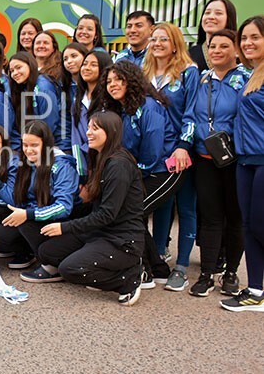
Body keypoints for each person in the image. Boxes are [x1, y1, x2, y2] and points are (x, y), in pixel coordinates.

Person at [35, 111, 146, 306]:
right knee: (47, 251)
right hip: (99, 233)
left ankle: (128, 278)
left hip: (122, 240)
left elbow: (106, 215)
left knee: (70, 269)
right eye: (88, 127)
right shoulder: (102, 157)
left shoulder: (119, 165)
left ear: (111, 132)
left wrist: (64, 227)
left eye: (95, 128)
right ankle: (97, 264)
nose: (88, 133)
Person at [97, 61, 177, 287]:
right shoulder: (120, 109)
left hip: (162, 171)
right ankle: (157, 269)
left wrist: (128, 178)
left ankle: (144, 270)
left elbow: (152, 153)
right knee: (131, 214)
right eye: (109, 81)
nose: (113, 85)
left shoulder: (148, 106)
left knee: (130, 213)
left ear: (131, 81)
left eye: (119, 79)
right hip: (139, 172)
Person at [188, 29, 249, 297]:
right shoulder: (202, 79)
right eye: (213, 46)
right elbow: (191, 114)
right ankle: (206, 274)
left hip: (235, 159)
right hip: (204, 157)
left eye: (224, 46)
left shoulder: (247, 80)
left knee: (235, 217)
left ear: (236, 50)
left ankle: (231, 272)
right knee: (210, 217)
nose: (216, 51)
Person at [142, 22, 199, 291]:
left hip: (180, 152)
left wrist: (183, 146)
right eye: (154, 39)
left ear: (175, 44)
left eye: (163, 39)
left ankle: (182, 266)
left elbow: (192, 113)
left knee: (186, 207)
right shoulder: (145, 73)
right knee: (161, 206)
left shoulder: (188, 72)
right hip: (154, 153)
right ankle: (158, 257)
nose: (157, 43)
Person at [0, 120, 79, 277]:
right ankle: (31, 253)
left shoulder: (62, 167)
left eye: (34, 145)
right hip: (34, 217)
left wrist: (28, 214)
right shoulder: (26, 165)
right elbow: (16, 201)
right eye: (25, 145)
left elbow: (64, 207)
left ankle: (51, 265)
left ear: (46, 144)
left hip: (60, 223)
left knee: (26, 222)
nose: (28, 150)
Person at [222, 15, 264, 312]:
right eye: (244, 38)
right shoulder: (251, 75)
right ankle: (255, 290)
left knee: (260, 225)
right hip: (245, 160)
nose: (248, 43)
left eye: (255, 37)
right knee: (249, 225)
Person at [7, 51, 62, 150]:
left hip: (50, 145)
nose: (15, 73)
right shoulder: (19, 89)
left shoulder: (43, 86)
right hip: (28, 145)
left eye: (18, 68)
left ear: (30, 65)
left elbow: (49, 123)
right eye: (12, 70)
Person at [72, 50, 113, 177]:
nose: (87, 68)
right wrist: (82, 170)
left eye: (93, 65)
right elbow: (75, 137)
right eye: (84, 64)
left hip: (105, 163)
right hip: (84, 164)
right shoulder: (78, 98)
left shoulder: (109, 99)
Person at [191, 0, 237, 72]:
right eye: (207, 13)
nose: (211, 17)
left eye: (218, 13)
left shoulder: (240, 54)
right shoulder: (190, 55)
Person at [61, 42, 89, 157]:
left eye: (74, 56)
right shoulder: (65, 88)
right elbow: (65, 121)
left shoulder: (94, 87)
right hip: (74, 146)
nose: (69, 61)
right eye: (65, 59)